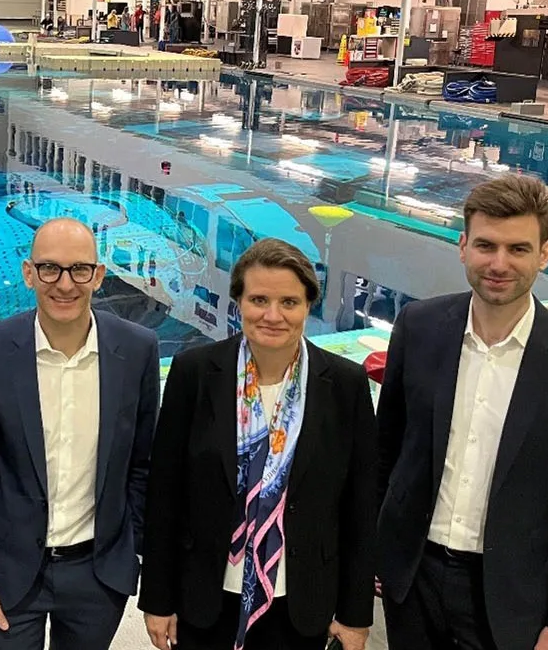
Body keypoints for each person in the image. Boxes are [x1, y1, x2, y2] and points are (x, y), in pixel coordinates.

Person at [376, 173, 548, 650]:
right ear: (463, 246)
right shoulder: (418, 326)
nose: (499, 264)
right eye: (486, 246)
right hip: (411, 580)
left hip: (509, 594)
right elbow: (387, 453)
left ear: (544, 254)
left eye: (519, 249)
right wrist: (371, 555)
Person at [139, 238, 377, 650]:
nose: (273, 315)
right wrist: (158, 599)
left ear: (308, 306)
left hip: (301, 598)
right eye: (259, 299)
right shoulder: (195, 373)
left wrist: (355, 614)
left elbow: (360, 507)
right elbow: (164, 493)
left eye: (289, 302)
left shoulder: (343, 385)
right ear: (238, 302)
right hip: (206, 593)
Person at [0, 218, 160, 650]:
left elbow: (142, 466)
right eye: (50, 268)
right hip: (11, 572)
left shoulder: (137, 350)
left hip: (98, 574)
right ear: (29, 272)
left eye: (79, 270)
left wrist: (134, 556)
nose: (64, 284)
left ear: (99, 276)